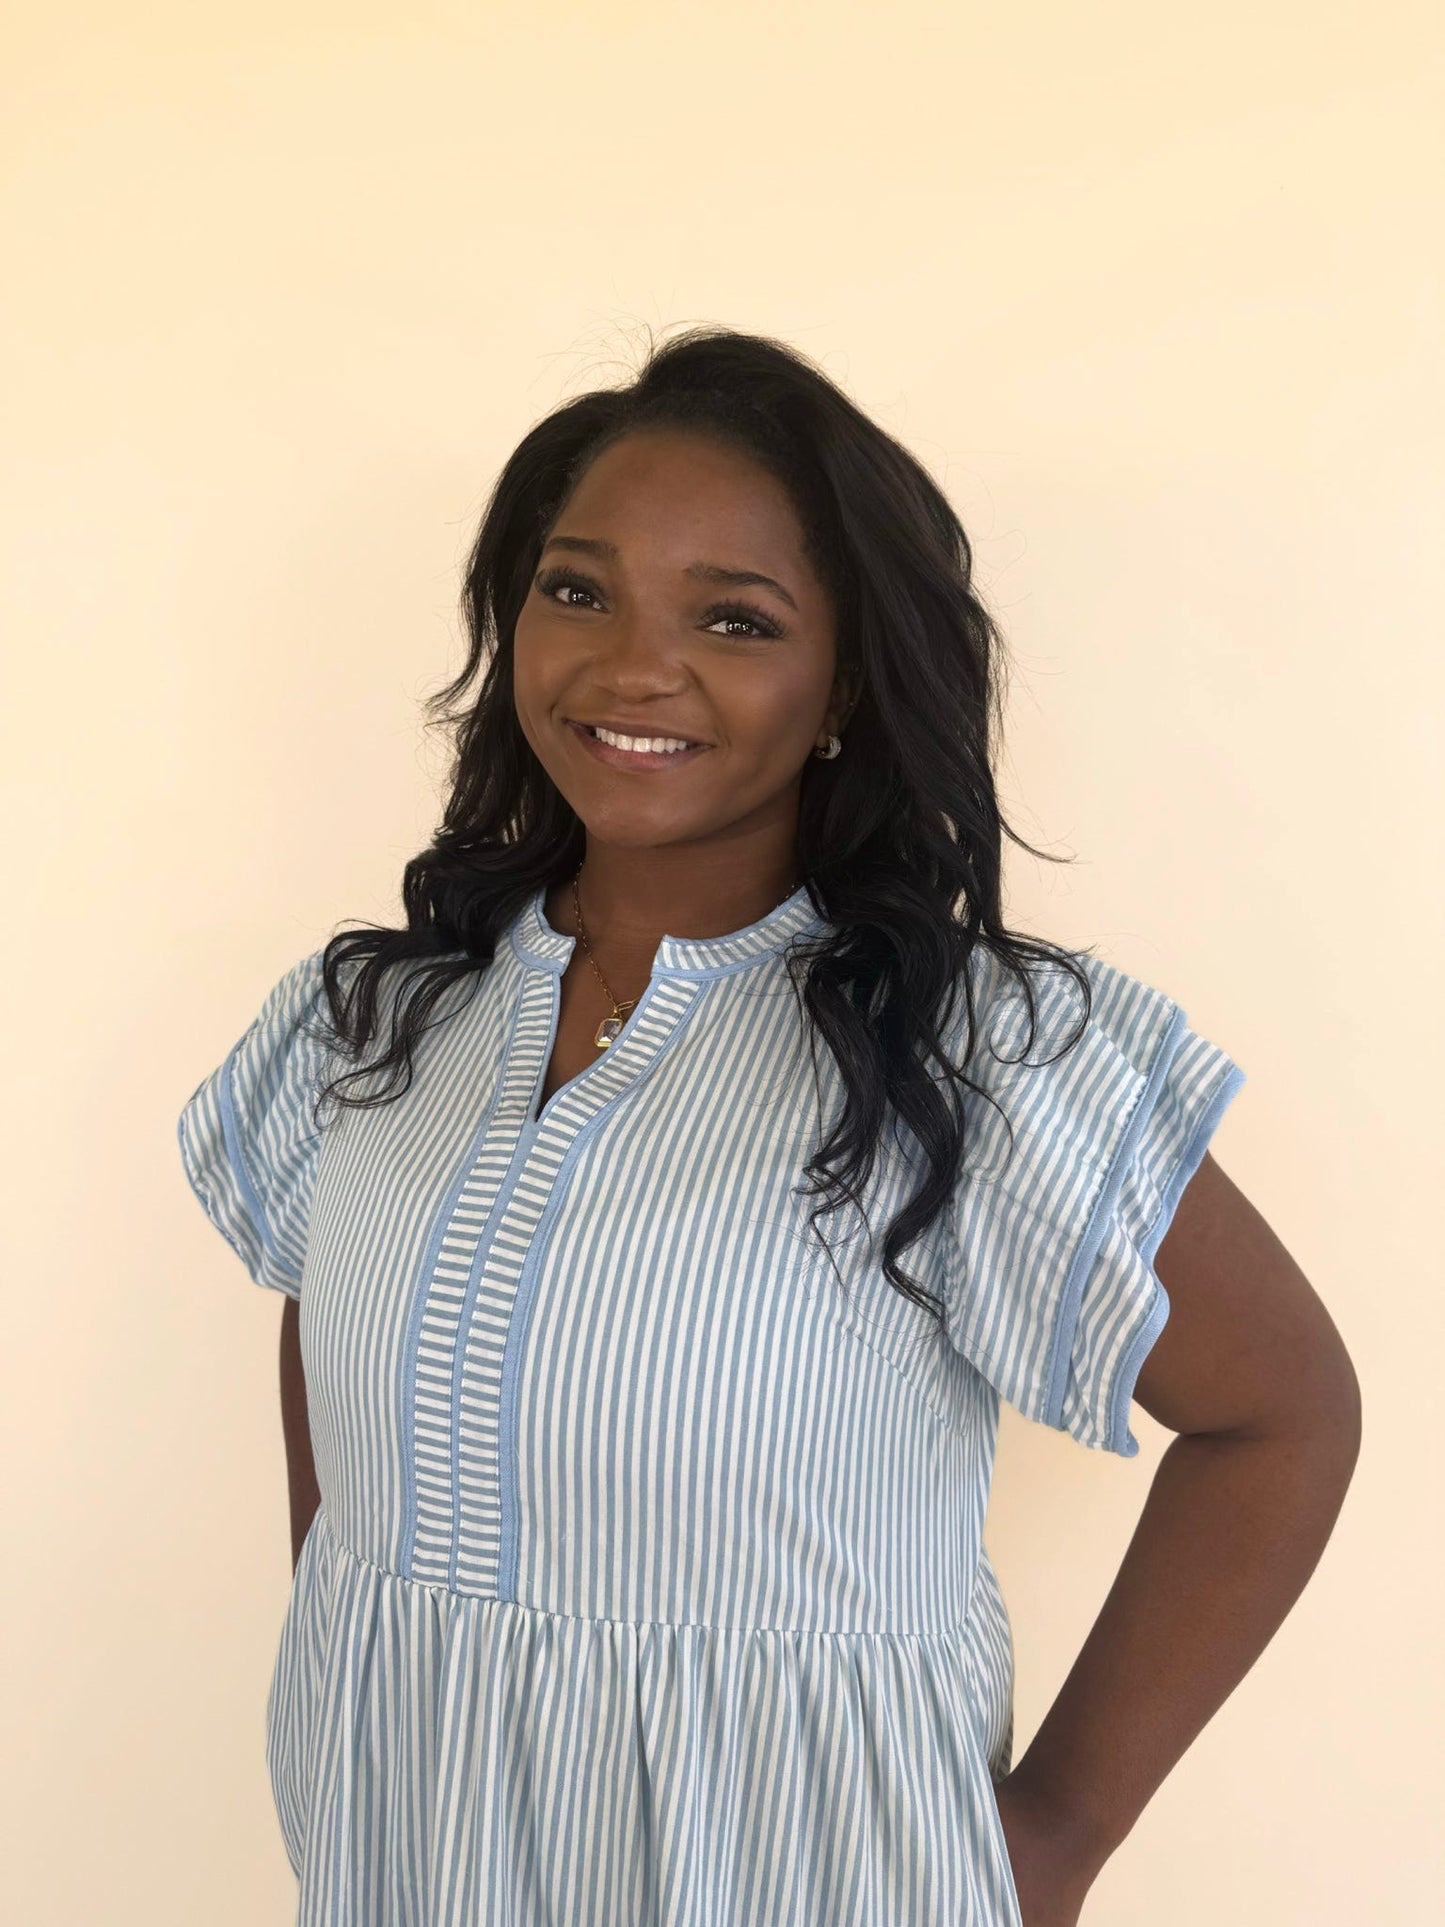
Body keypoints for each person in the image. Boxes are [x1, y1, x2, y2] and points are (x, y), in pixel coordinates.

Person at [176, 326, 1361, 1927]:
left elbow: (1282, 1416)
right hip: (407, 1842)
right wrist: (354, 1637)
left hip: (809, 1871)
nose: (629, 668)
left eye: (732, 619)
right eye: (576, 588)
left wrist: (1061, 1834)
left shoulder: (974, 1051)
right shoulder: (379, 1020)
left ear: (842, 687)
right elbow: (332, 1289)